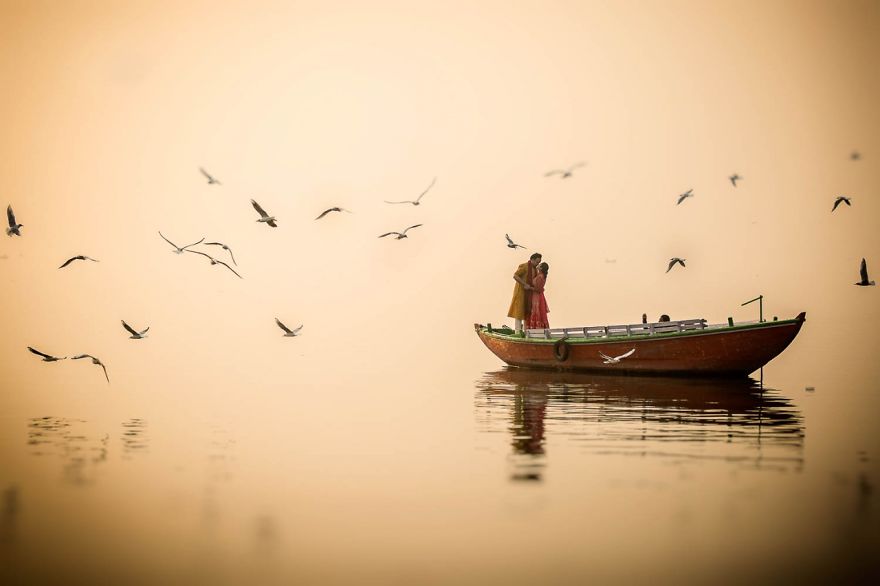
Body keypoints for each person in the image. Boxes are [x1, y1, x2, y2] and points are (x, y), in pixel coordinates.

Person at [508, 252, 542, 332]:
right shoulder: (524, 266)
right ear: (532, 260)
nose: (538, 264)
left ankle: (526, 331)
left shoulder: (534, 269)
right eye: (537, 262)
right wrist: (524, 284)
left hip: (529, 294)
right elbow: (515, 275)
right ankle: (517, 332)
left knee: (527, 312)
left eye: (539, 262)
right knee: (519, 312)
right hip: (520, 292)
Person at [527, 262, 550, 329]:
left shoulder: (540, 276)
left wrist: (529, 287)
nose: (538, 265)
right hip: (538, 295)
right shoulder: (540, 275)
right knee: (538, 311)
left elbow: (538, 289)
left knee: (537, 310)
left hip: (537, 296)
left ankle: (537, 328)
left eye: (540, 265)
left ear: (541, 268)